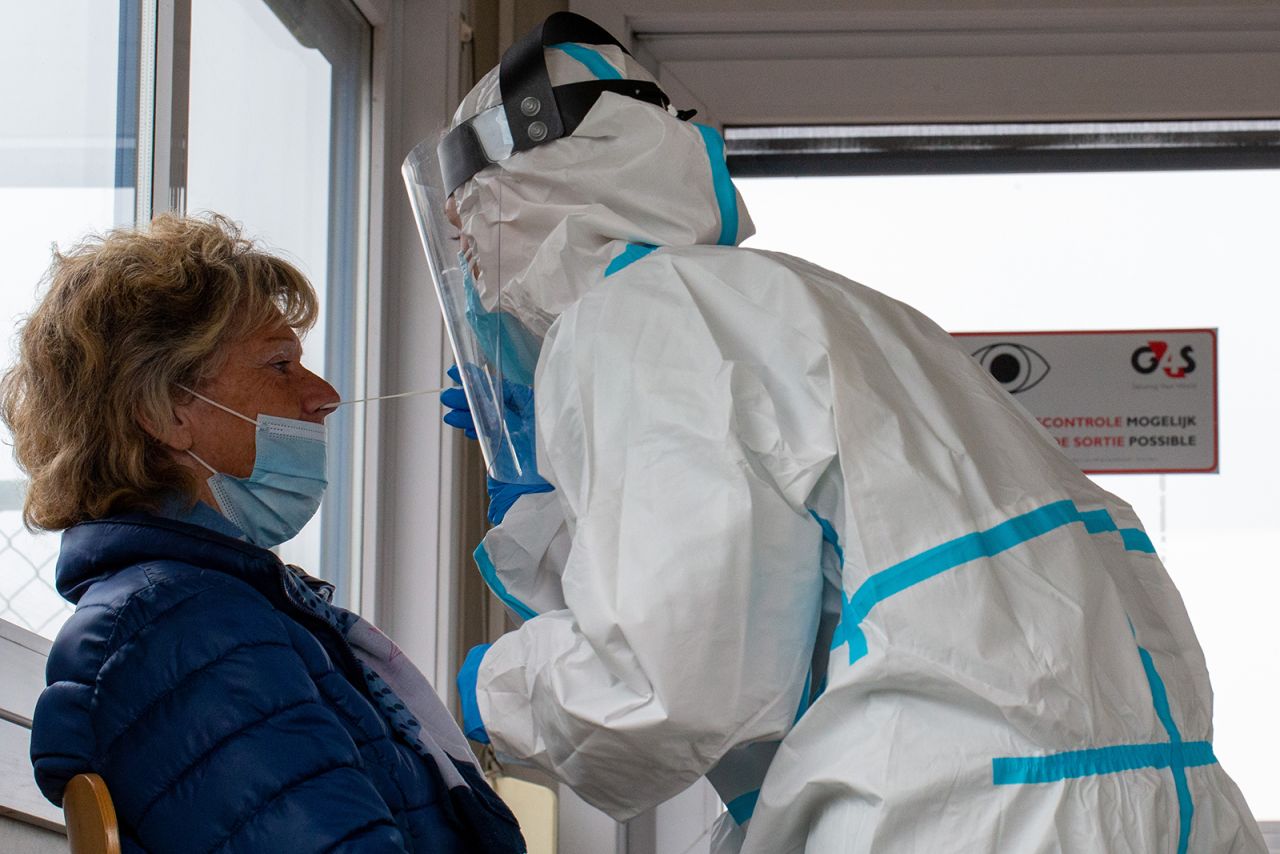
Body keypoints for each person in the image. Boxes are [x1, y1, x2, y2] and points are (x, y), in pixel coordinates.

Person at [425, 11, 1266, 853]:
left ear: (523, 199)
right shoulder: (812, 306)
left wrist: (487, 693)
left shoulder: (635, 321)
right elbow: (799, 593)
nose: (467, 270)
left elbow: (675, 680)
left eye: (467, 231)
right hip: (1135, 804)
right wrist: (555, 518)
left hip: (964, 817)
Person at [1, 214, 526, 853]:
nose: (326, 395)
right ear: (166, 411)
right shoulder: (182, 628)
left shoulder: (222, 612)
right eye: (280, 364)